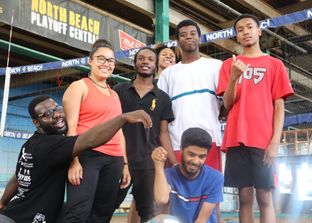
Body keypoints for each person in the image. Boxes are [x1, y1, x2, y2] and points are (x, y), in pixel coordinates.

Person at [0, 95, 151, 223]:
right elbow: (90, 140)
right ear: (36, 123)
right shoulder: (51, 145)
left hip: (14, 213)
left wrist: (2, 203)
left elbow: (17, 178)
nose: (57, 114)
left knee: (75, 209)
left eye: (57, 108)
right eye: (47, 114)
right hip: (20, 219)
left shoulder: (31, 143)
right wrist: (122, 119)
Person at [216, 14, 294, 223]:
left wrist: (275, 141)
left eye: (250, 27)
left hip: (263, 139)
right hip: (236, 138)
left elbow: (279, 105)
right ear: (237, 37)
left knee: (265, 195)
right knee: (244, 197)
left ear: (259, 31)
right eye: (240, 29)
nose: (246, 32)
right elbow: (227, 104)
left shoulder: (275, 64)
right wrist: (233, 77)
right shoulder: (229, 65)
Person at [61, 39, 130, 222]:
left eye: (110, 61)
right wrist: (73, 161)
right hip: (87, 156)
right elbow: (71, 128)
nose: (106, 64)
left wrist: (124, 164)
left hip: (114, 160)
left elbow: (119, 132)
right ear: (90, 60)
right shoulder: (79, 87)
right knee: (78, 212)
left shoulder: (114, 94)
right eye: (101, 59)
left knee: (103, 213)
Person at [113, 47, 176, 223]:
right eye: (141, 58)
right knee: (105, 206)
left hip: (147, 162)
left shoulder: (163, 98)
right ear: (135, 63)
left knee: (148, 214)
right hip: (120, 160)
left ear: (155, 65)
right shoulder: (119, 90)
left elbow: (163, 133)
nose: (145, 61)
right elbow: (111, 125)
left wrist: (171, 160)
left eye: (150, 59)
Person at [157, 19, 223, 172]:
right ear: (178, 41)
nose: (188, 37)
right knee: (177, 195)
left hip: (210, 143)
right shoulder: (168, 74)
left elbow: (225, 107)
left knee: (209, 195)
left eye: (193, 33)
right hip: (177, 144)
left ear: (199, 37)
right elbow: (162, 120)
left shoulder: (216, 66)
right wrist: (170, 156)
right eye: (183, 35)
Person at [152, 127, 224, 223]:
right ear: (181, 149)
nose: (195, 161)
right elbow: (161, 200)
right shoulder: (167, 175)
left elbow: (201, 220)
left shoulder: (215, 178)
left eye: (201, 156)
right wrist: (159, 165)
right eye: (191, 154)